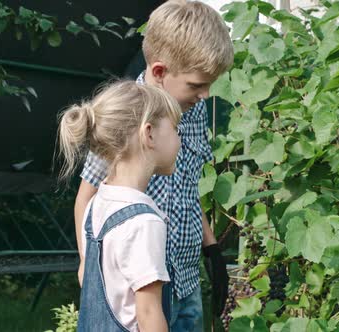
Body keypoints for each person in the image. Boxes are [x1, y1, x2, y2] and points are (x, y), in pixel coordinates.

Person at [72, 1, 234, 330]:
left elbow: (187, 186)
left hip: (185, 280)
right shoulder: (126, 113)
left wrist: (211, 246)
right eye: (196, 85)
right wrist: (88, 264)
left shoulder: (193, 109)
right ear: (160, 72)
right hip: (141, 291)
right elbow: (86, 196)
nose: (205, 95)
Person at [57, 80, 183, 331]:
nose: (179, 139)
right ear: (149, 134)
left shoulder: (98, 203)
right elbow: (148, 313)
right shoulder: (143, 222)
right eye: (175, 129)